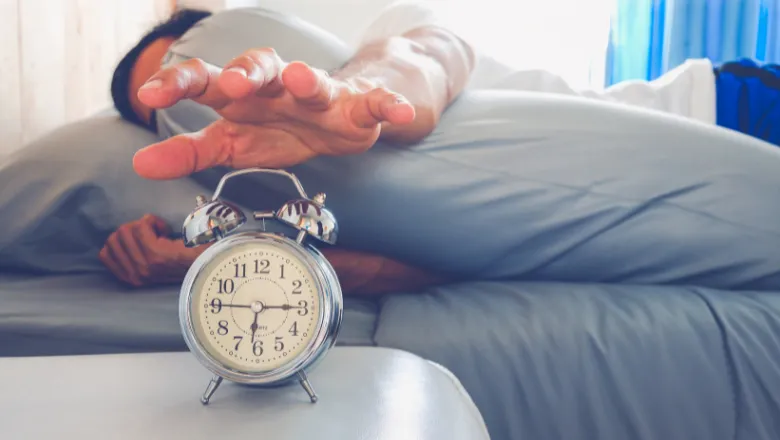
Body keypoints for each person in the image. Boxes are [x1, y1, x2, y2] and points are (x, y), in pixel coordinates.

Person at [101, 2, 780, 292]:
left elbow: (427, 54)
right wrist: (208, 265)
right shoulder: (260, 197)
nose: (187, 108)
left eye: (184, 74)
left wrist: (355, 95)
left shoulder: (378, 44)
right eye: (159, 111)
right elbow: (410, 274)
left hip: (727, 108)